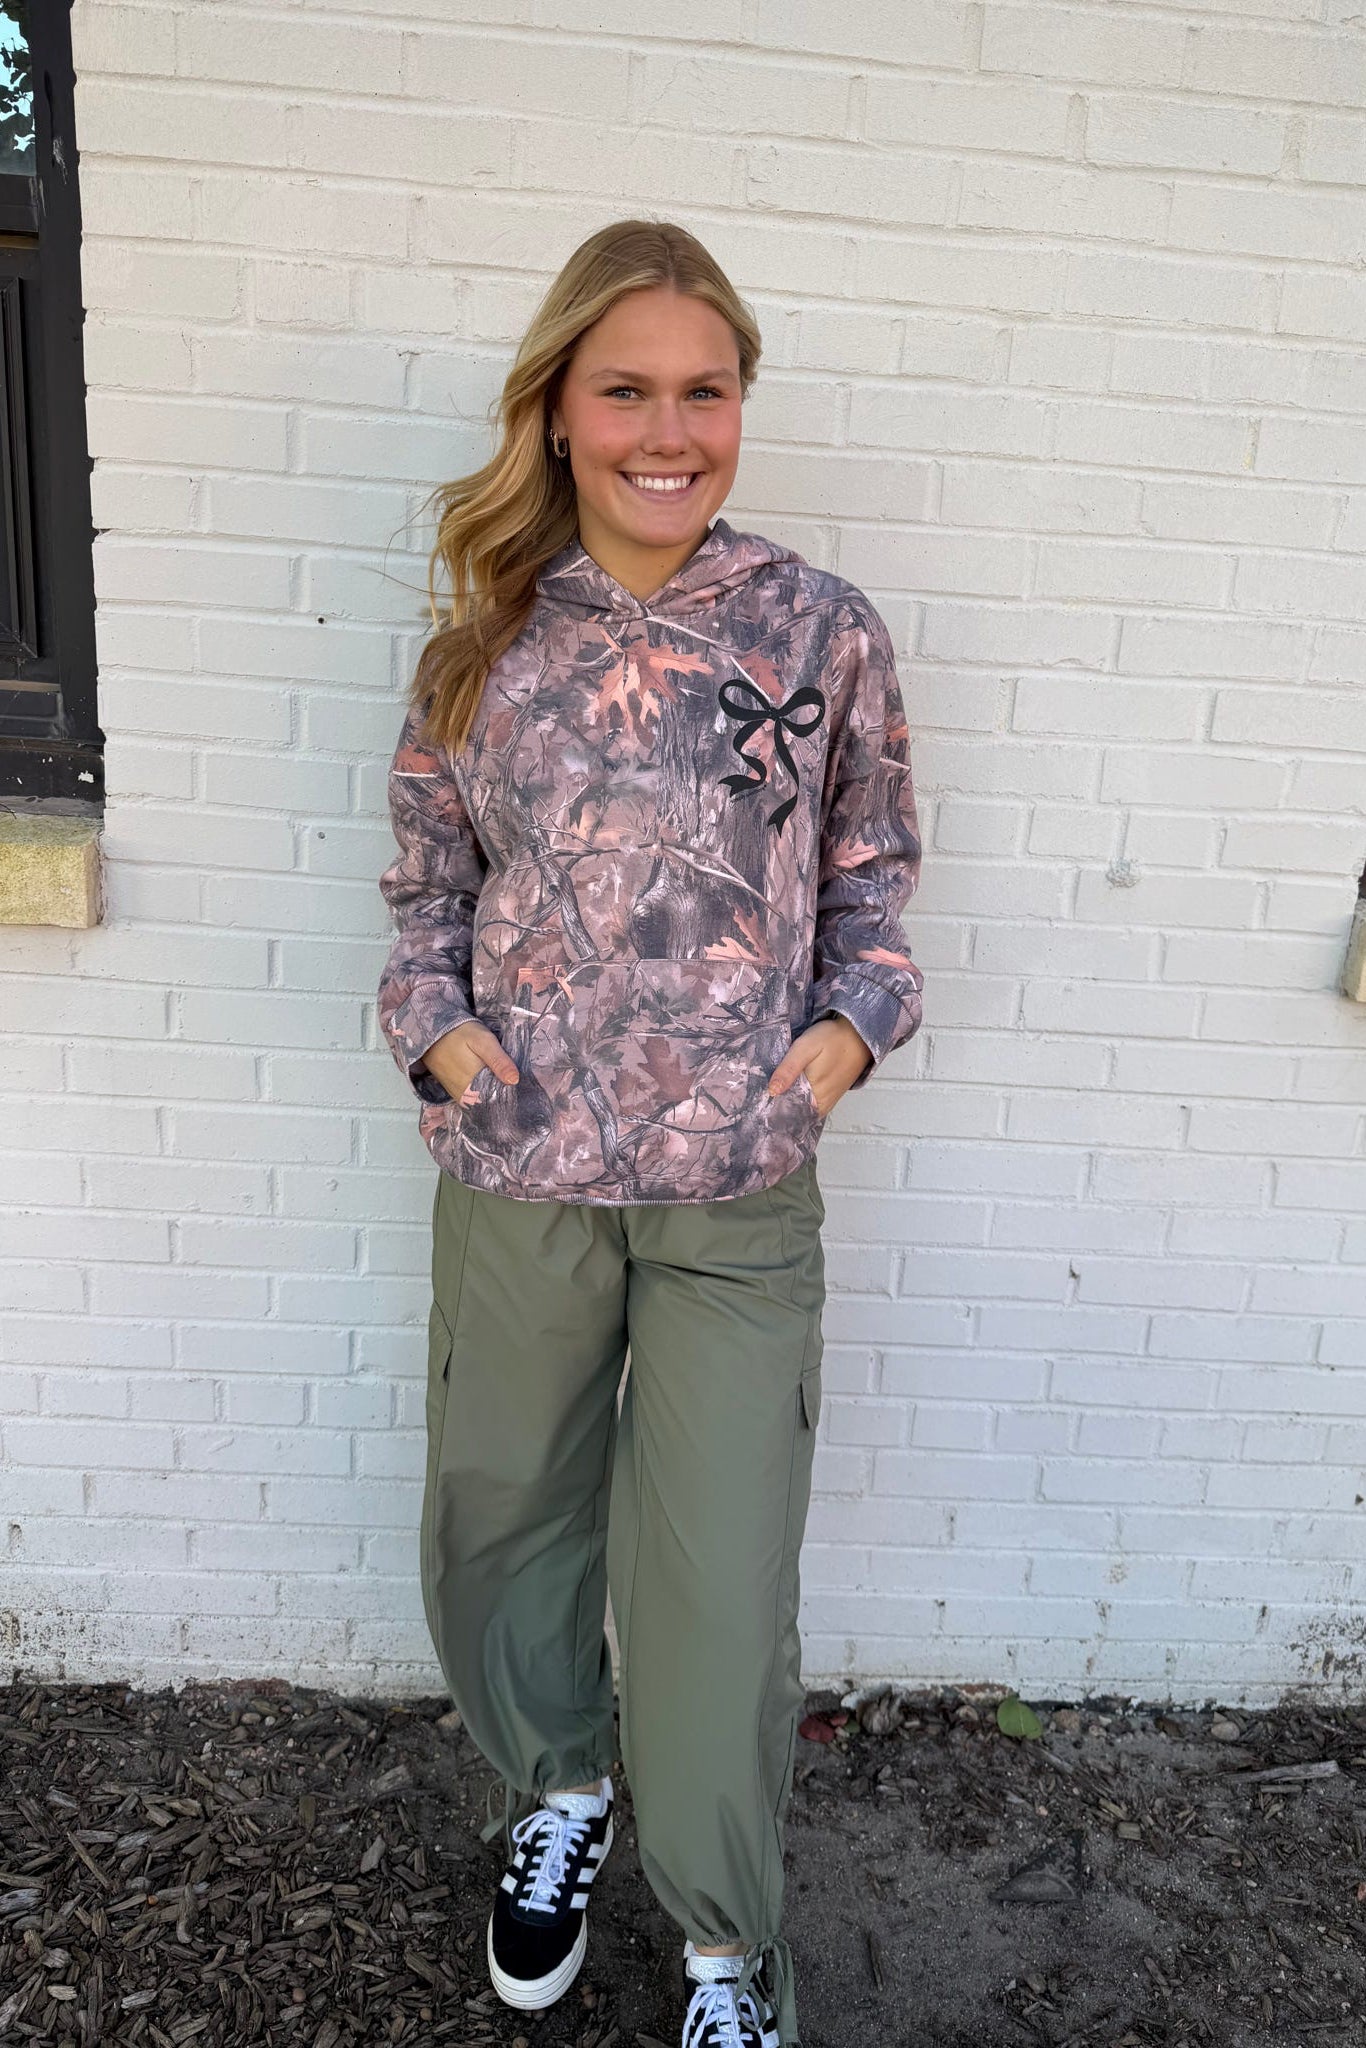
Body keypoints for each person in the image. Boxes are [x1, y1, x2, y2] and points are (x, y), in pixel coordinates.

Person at [376, 217, 923, 2048]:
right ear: (555, 409)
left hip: (733, 1196)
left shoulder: (816, 629)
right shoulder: (485, 639)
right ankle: (557, 1792)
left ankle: (721, 1945)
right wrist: (444, 1042)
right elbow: (420, 893)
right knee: (497, 1528)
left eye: (704, 390)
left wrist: (832, 1049)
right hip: (520, 1176)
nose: (665, 429)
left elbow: (874, 884)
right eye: (624, 389)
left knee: (711, 1585)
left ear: (739, 406)